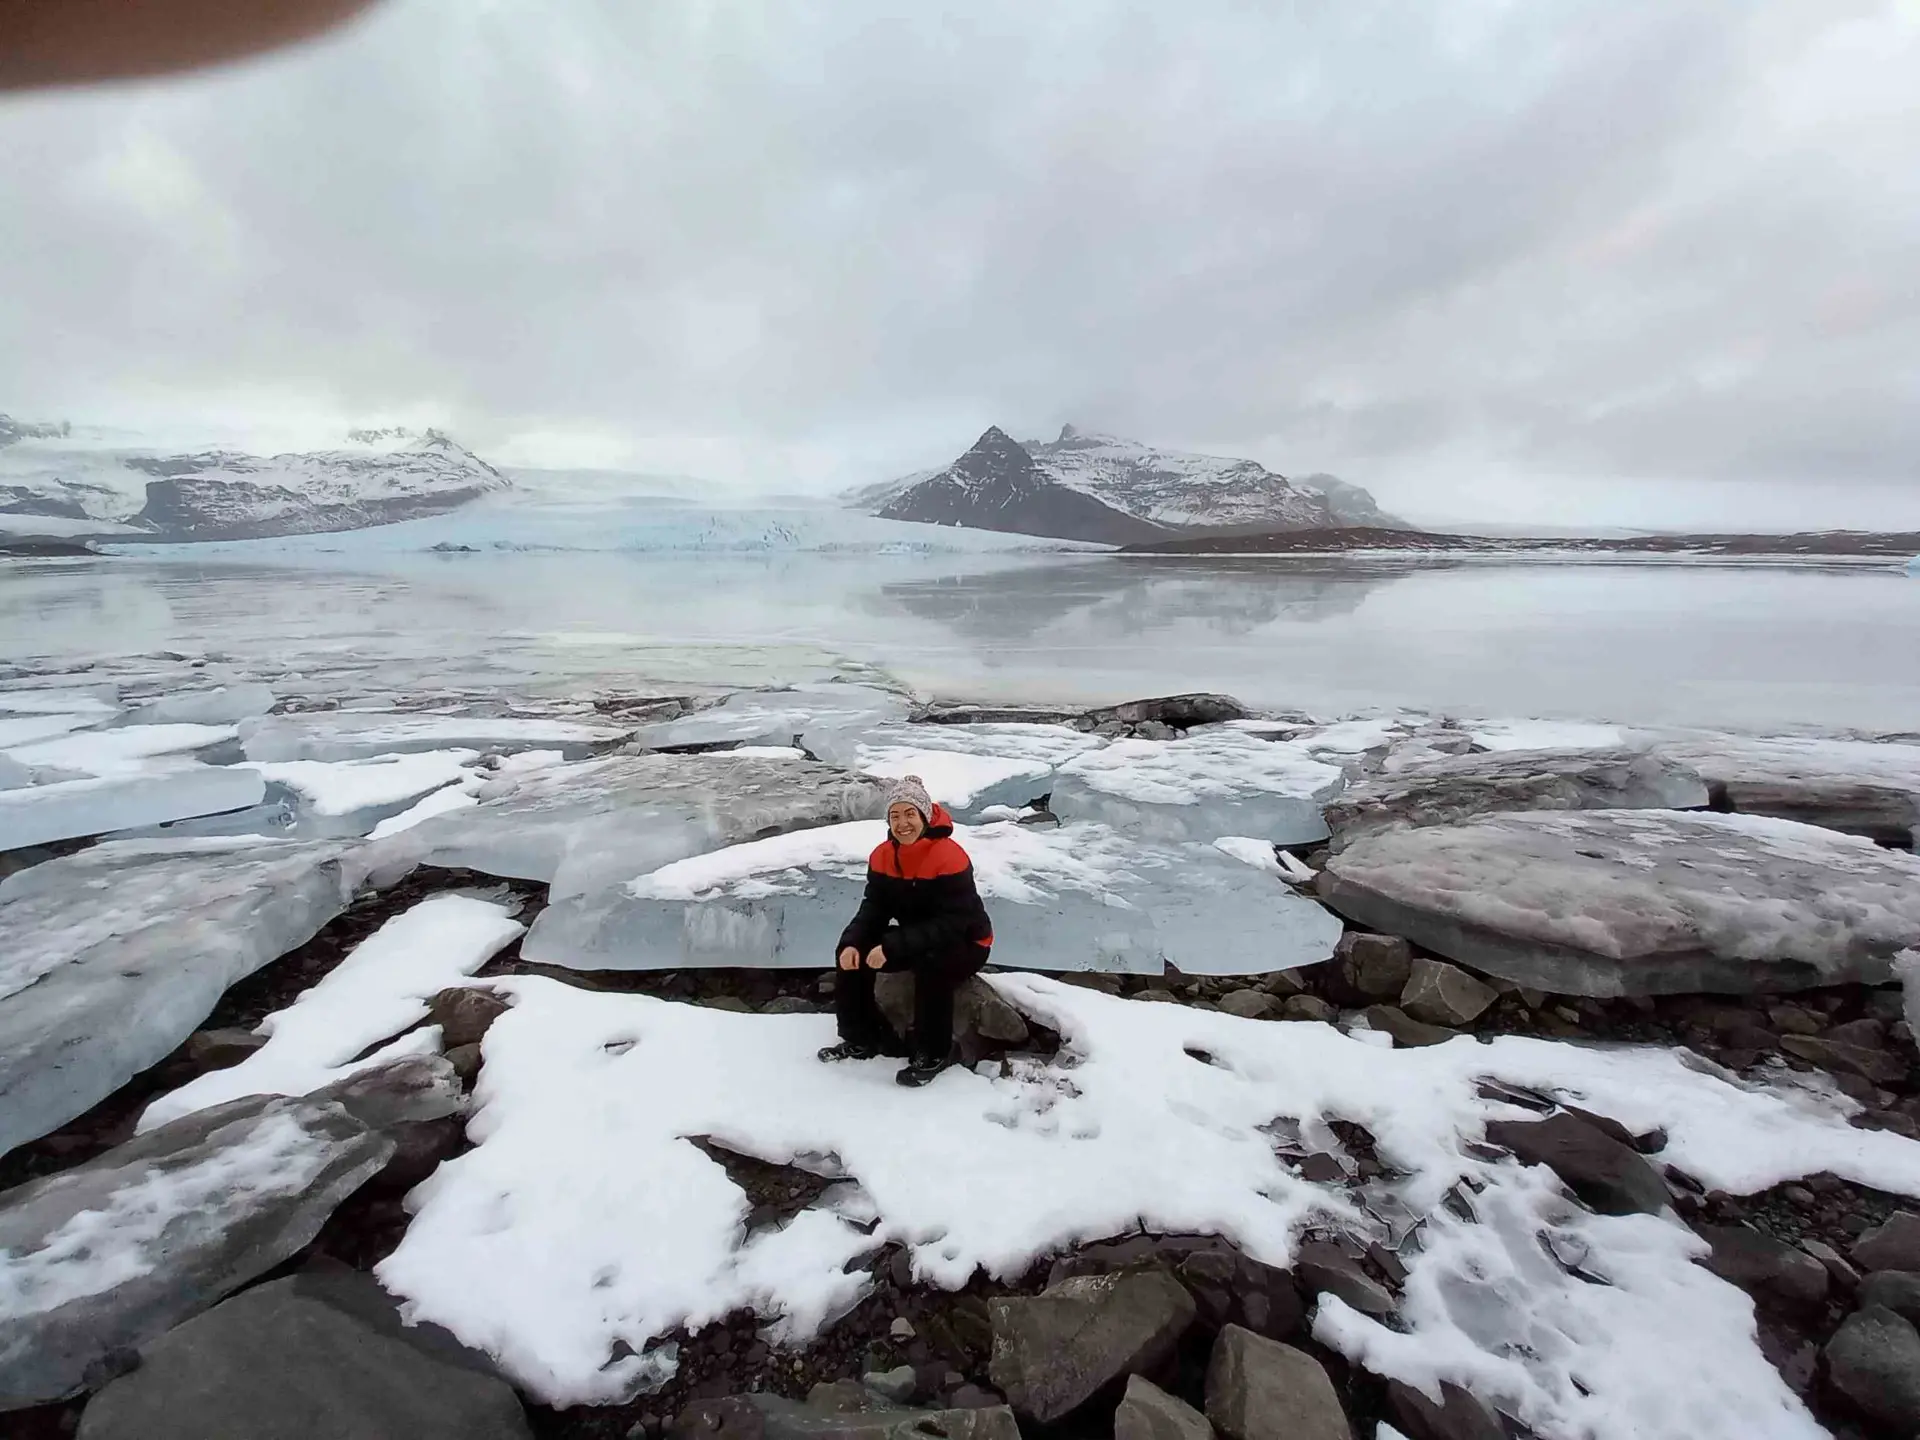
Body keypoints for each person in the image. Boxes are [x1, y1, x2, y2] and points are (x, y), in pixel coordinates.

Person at [818, 776, 993, 1086]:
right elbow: (874, 908)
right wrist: (852, 942)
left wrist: (893, 946)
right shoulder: (883, 856)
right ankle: (862, 1037)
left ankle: (933, 1052)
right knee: (852, 954)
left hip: (967, 942)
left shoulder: (949, 856)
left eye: (910, 814)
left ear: (924, 816)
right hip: (916, 938)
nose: (902, 823)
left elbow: (955, 922)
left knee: (933, 963)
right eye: (895, 815)